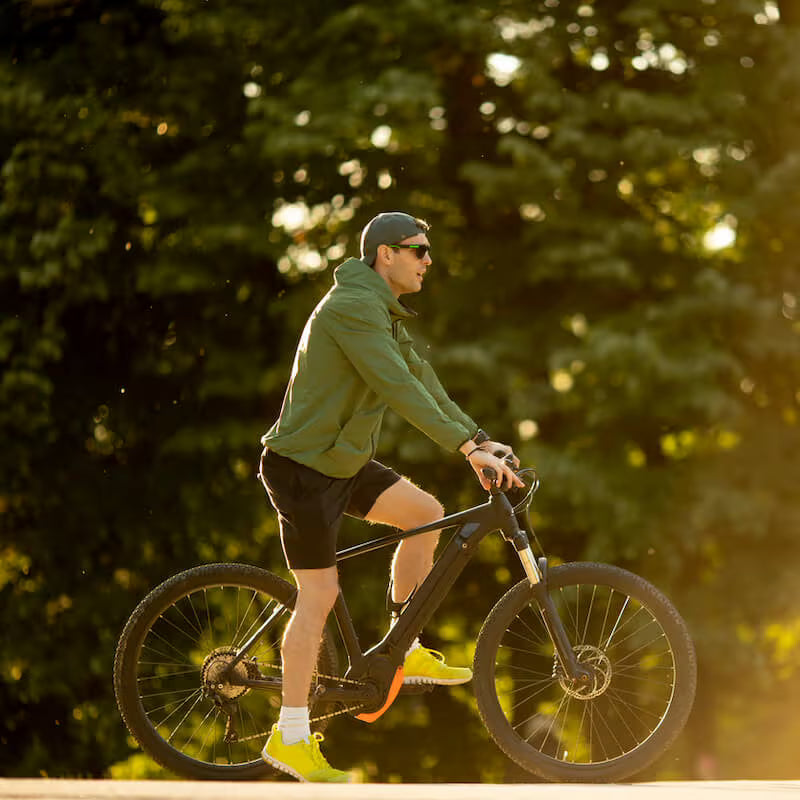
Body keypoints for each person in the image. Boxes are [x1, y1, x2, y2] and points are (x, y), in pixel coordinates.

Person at [258, 212, 523, 782]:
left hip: (342, 462)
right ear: (385, 255)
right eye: (419, 251)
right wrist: (462, 448)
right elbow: (396, 387)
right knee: (320, 594)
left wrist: (476, 439)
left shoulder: (380, 310)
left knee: (425, 515)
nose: (429, 261)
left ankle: (404, 644)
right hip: (303, 470)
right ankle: (291, 734)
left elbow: (420, 375)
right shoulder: (353, 308)